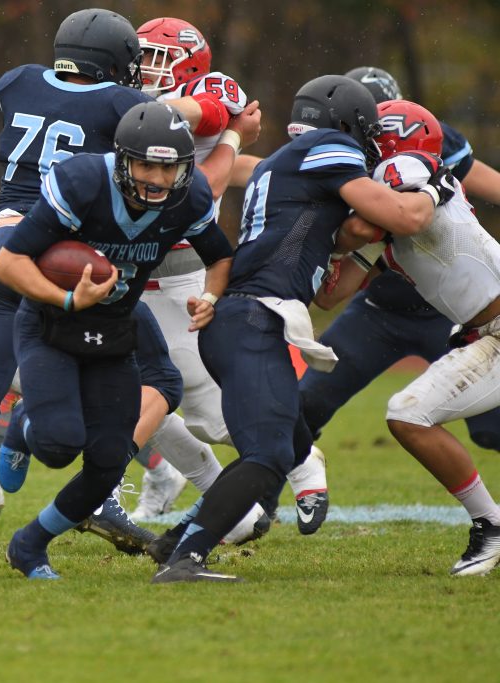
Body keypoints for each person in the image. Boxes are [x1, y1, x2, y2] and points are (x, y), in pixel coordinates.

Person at [0, 8, 235, 559]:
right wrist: (229, 116)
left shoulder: (18, 80)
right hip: (71, 257)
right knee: (155, 377)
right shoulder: (125, 106)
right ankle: (97, 489)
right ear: (121, 67)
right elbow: (185, 121)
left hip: (4, 243)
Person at [150, 74, 453, 583]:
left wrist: (363, 239)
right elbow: (402, 217)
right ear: (345, 124)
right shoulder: (328, 148)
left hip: (246, 316)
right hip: (253, 317)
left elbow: (333, 286)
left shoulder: (288, 165)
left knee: (289, 440)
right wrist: (431, 185)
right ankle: (187, 558)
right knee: (267, 453)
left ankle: (172, 542)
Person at [0, 100, 233, 579]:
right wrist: (65, 299)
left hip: (115, 330)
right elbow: (7, 263)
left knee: (107, 462)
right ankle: (23, 425)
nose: (158, 179)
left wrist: (210, 296)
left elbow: (221, 257)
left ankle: (30, 545)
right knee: (60, 445)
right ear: (123, 159)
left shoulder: (191, 197)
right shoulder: (81, 183)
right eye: (146, 164)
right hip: (51, 324)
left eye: (169, 167)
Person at [287, 66, 500, 535]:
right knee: (306, 409)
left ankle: (491, 524)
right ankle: (253, 503)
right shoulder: (370, 183)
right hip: (384, 312)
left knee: (486, 428)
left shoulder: (406, 167)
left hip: (453, 320)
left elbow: (407, 214)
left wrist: (350, 231)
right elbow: (332, 294)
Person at [129, 17, 287, 540]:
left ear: (190, 63)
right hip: (135, 269)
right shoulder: (128, 101)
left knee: (212, 413)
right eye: (141, 54)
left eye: (157, 57)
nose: (144, 66)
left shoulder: (204, 90)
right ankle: (233, 510)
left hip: (188, 274)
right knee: (135, 392)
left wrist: (238, 139)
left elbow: (209, 150)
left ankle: (301, 469)